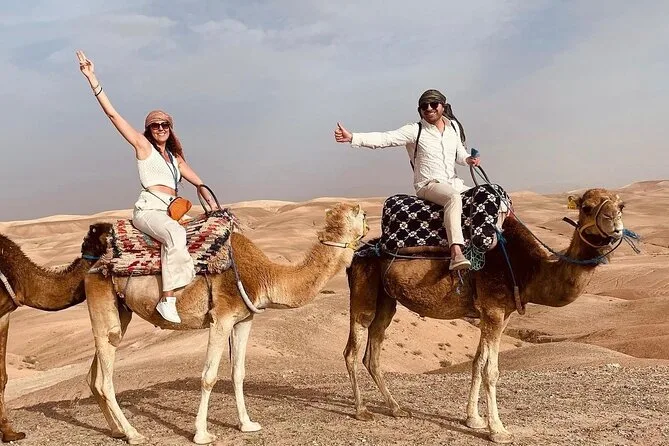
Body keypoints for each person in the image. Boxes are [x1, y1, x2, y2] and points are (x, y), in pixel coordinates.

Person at [76, 50, 217, 323]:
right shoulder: (144, 148)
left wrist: (210, 201)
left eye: (164, 125)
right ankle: (168, 300)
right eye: (155, 126)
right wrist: (92, 79)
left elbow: (199, 182)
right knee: (175, 234)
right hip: (149, 210)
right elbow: (113, 116)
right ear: (149, 130)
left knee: (205, 232)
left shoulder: (174, 159)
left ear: (170, 128)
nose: (160, 128)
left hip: (171, 211)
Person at [334, 89, 480, 271]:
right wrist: (353, 137)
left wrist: (469, 159)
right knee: (453, 198)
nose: (429, 108)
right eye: (424, 106)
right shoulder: (414, 130)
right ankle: (456, 253)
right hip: (429, 185)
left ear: (443, 106)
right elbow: (385, 138)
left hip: (454, 183)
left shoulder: (454, 128)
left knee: (492, 195)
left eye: (433, 104)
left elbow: (460, 154)